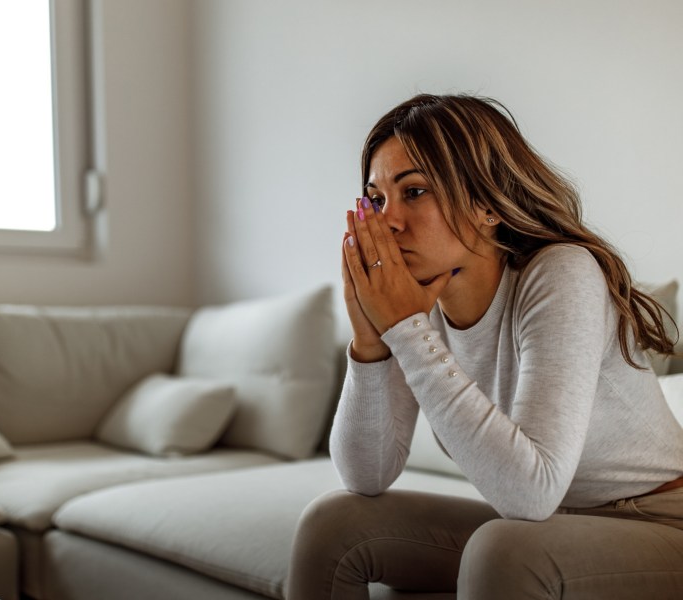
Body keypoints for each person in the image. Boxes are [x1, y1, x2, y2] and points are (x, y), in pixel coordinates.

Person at [286, 93, 683, 599]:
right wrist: (371, 342)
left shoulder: (561, 272)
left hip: (661, 523)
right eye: (376, 199)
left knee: (503, 548)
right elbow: (366, 475)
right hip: (553, 525)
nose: (387, 221)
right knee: (333, 523)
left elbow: (531, 491)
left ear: (486, 204)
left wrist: (407, 332)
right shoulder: (421, 306)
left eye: (414, 191)